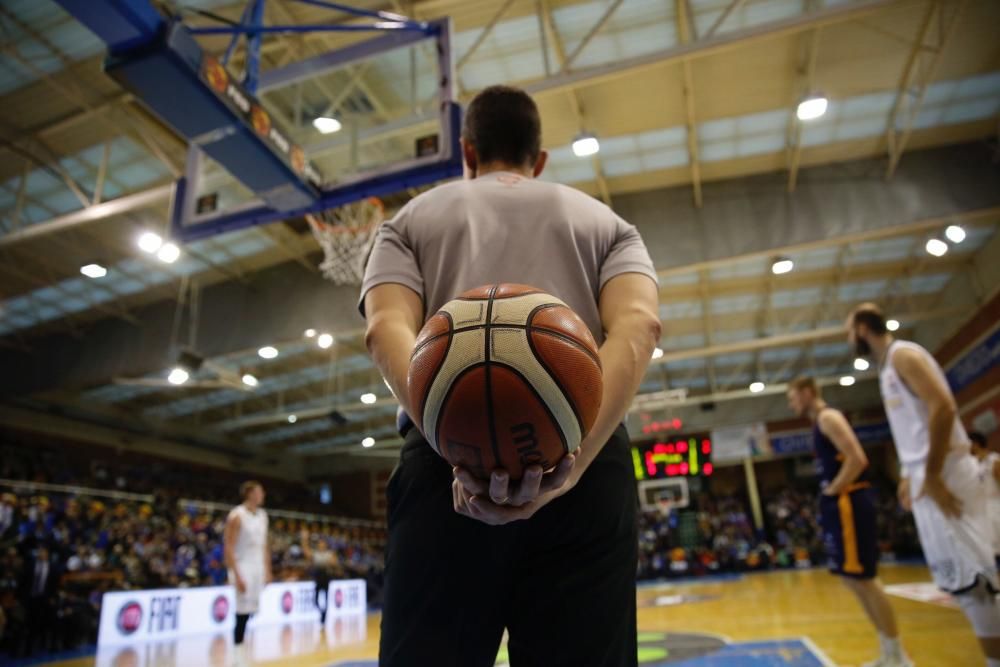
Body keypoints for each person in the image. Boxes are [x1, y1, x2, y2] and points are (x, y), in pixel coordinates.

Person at [361, 85, 660, 666]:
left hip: (441, 462)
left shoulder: (408, 221)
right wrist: (569, 469)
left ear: (467, 152)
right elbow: (640, 327)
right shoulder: (608, 223)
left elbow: (384, 331)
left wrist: (457, 447)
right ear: (540, 159)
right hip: (588, 457)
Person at [848, 303, 1000, 664]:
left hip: (947, 477)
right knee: (969, 588)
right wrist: (907, 473)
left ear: (863, 328)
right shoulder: (888, 368)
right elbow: (915, 428)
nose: (847, 338)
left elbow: (944, 408)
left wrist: (929, 474)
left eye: (848, 330)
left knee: (978, 582)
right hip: (928, 478)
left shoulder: (903, 355)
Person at [787, 377, 911, 667]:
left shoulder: (829, 417)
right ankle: (887, 651)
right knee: (851, 579)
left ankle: (898, 656)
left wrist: (833, 489)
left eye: (793, 398)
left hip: (848, 501)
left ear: (807, 393)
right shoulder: (820, 421)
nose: (792, 404)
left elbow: (857, 458)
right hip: (839, 505)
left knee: (865, 579)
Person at [224, 481, 271, 646]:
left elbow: (264, 545)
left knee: (251, 611)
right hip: (242, 566)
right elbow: (229, 546)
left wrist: (268, 570)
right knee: (241, 612)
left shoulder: (263, 515)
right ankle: (237, 653)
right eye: (260, 492)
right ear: (250, 494)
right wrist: (236, 574)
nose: (263, 495)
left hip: (258, 567)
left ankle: (242, 650)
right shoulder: (237, 515)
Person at [970, 431, 1000, 568]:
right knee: (991, 550)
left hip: (996, 505)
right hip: (983, 508)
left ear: (975, 444)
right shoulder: (974, 464)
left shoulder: (994, 460)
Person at [300, 528, 339, 624]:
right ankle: (321, 613)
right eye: (320, 543)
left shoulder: (329, 554)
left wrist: (331, 561)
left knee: (326, 599)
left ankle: (324, 617)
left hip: (326, 577)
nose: (321, 545)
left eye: (323, 543)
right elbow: (306, 553)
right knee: (315, 600)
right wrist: (304, 540)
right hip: (318, 578)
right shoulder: (315, 553)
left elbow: (335, 563)